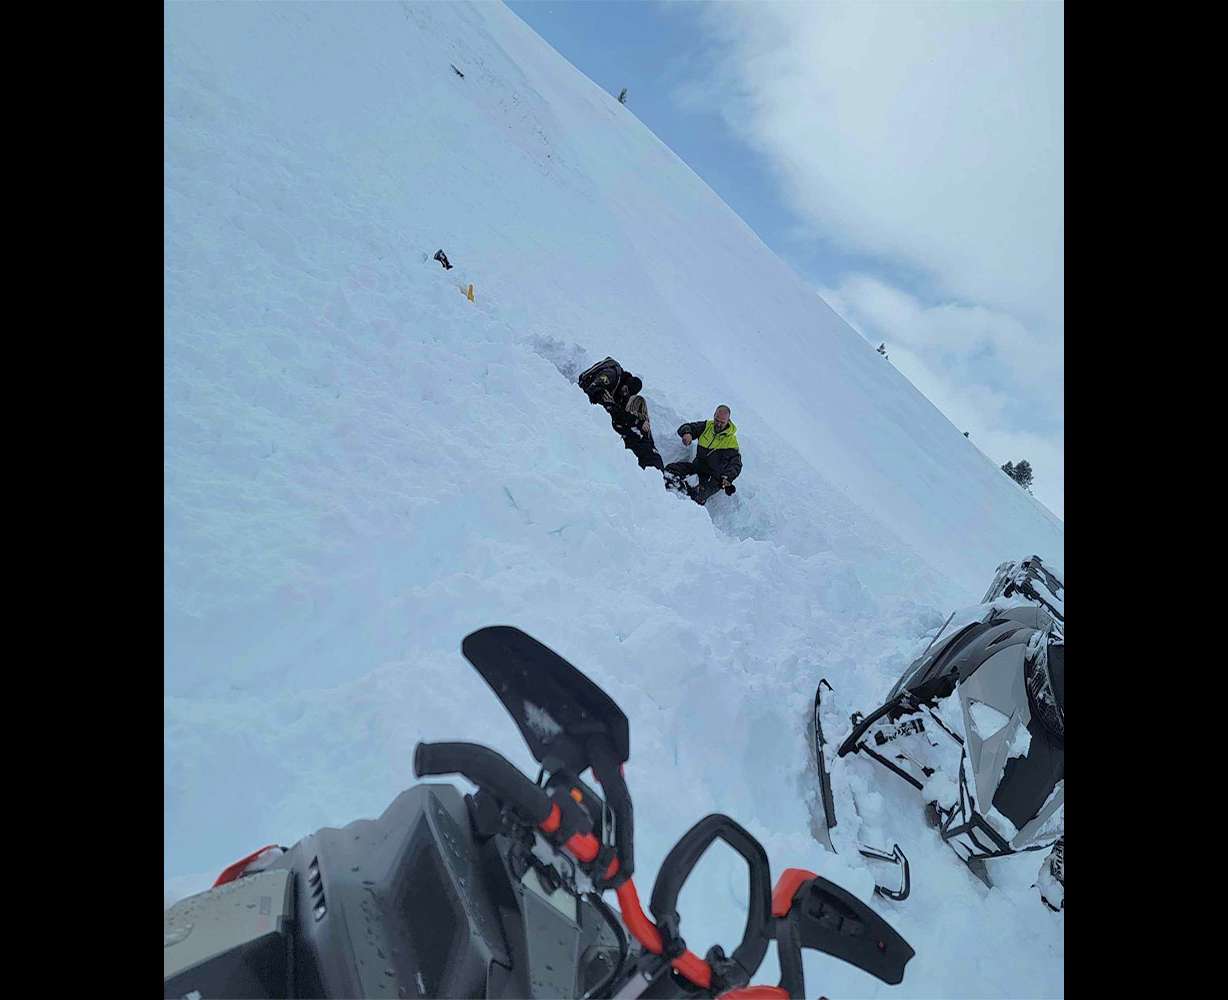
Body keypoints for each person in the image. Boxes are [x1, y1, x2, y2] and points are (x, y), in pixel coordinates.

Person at [665, 405, 741, 504]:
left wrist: (727, 478)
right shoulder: (706, 426)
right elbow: (687, 427)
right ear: (714, 416)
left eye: (722, 422)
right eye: (717, 420)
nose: (718, 424)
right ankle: (669, 496)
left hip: (713, 478)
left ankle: (687, 509)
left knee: (695, 495)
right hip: (697, 467)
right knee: (670, 470)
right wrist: (687, 433)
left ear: (728, 421)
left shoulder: (731, 442)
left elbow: (736, 464)